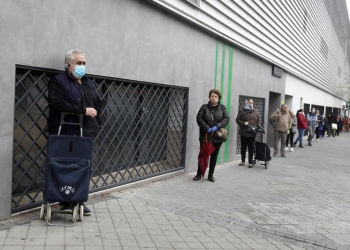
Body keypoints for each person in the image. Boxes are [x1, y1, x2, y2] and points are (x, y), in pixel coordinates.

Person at [47, 50, 102, 216]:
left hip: (84, 133)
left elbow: (98, 103)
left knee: (82, 167)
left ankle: (78, 200)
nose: (82, 66)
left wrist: (98, 120)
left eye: (84, 63)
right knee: (64, 166)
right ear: (69, 65)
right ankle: (65, 202)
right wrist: (83, 110)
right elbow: (58, 103)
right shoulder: (58, 81)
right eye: (79, 63)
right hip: (65, 131)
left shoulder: (88, 83)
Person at [193, 89, 230, 182]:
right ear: (209, 97)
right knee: (203, 155)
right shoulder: (204, 107)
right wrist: (207, 128)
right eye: (212, 96)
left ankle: (210, 175)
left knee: (214, 156)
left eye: (215, 96)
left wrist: (217, 126)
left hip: (217, 137)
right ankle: (199, 174)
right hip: (205, 136)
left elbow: (226, 119)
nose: (213, 98)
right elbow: (199, 118)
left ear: (218, 98)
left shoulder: (222, 108)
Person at [236, 99, 261, 168]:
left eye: (252, 103)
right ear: (246, 103)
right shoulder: (242, 111)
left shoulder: (255, 111)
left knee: (251, 147)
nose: (251, 104)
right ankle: (243, 161)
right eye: (249, 103)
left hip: (252, 132)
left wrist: (258, 126)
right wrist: (244, 123)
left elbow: (258, 120)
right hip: (244, 132)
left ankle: (250, 162)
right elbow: (237, 120)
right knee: (243, 147)